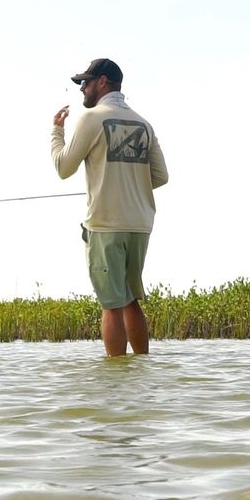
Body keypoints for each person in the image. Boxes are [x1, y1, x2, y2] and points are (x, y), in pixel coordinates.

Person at [51, 59, 168, 357]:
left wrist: (56, 132)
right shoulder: (144, 123)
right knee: (130, 300)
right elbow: (161, 176)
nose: (82, 89)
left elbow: (64, 167)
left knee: (111, 304)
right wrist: (128, 185)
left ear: (102, 82)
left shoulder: (91, 118)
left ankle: (115, 388)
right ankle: (141, 371)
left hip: (105, 225)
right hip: (140, 224)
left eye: (85, 82)